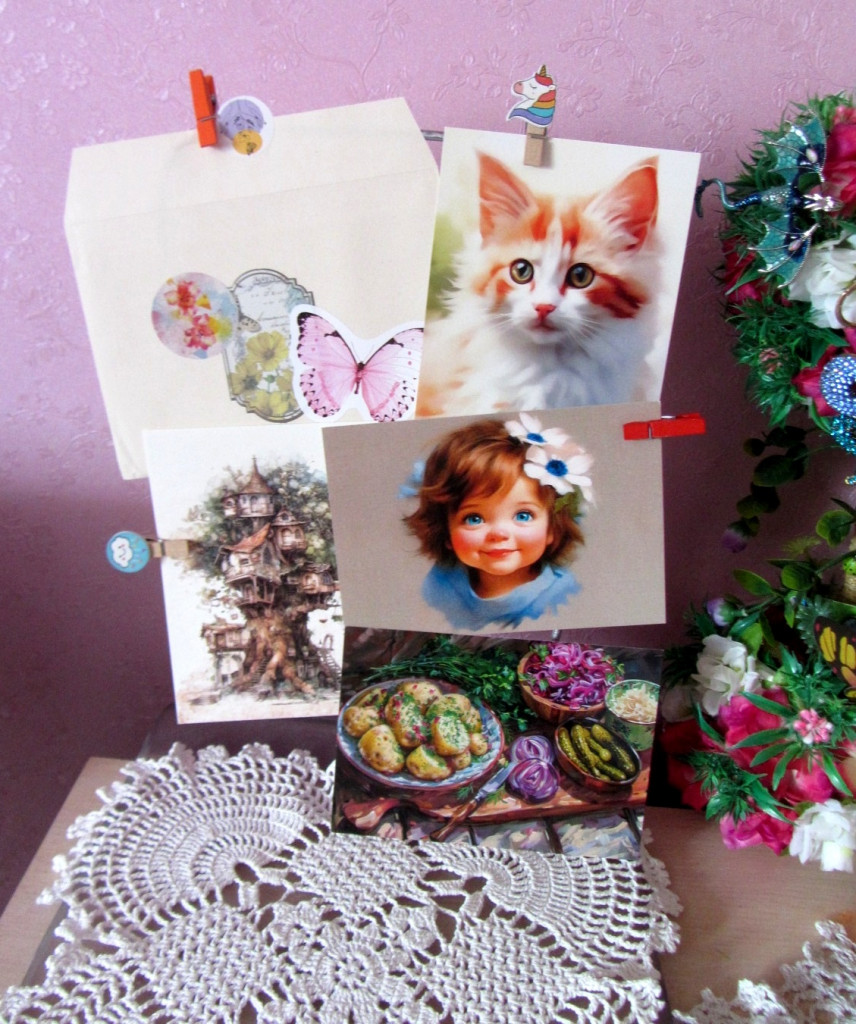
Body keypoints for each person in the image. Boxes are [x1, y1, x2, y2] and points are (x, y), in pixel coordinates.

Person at [404, 414, 592, 631]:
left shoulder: (565, 596)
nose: (499, 533)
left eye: (523, 515)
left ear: (553, 527)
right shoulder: (437, 588)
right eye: (474, 519)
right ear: (445, 531)